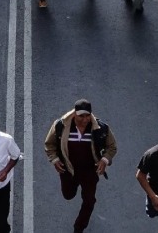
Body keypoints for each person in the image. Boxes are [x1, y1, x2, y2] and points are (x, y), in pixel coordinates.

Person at [43, 99, 118, 233]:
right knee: (68, 195)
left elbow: (112, 146)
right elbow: (49, 144)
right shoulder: (60, 126)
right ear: (74, 114)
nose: (85, 119)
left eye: (87, 115)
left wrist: (104, 160)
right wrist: (54, 160)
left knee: (89, 200)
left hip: (90, 171)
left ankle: (79, 227)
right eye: (81, 116)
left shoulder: (101, 128)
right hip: (68, 170)